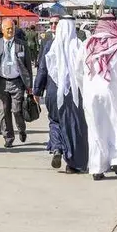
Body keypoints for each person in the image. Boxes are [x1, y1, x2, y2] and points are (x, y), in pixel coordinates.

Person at [79, 15, 117, 180]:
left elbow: (77, 70)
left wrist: (84, 89)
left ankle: (97, 168)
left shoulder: (87, 44)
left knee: (96, 128)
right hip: (114, 90)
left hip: (92, 91)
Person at [34, 16, 88, 173]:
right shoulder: (79, 45)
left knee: (55, 121)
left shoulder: (50, 45)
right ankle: (73, 163)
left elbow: (42, 69)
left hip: (52, 92)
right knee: (73, 126)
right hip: (74, 94)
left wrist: (37, 90)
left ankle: (57, 148)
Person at [0, 18, 34, 148]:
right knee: (3, 111)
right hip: (1, 82)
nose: (10, 31)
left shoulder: (21, 44)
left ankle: (22, 129)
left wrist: (30, 86)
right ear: (2, 30)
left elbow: (28, 66)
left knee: (17, 110)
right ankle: (8, 137)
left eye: (12, 28)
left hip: (17, 81)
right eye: (8, 29)